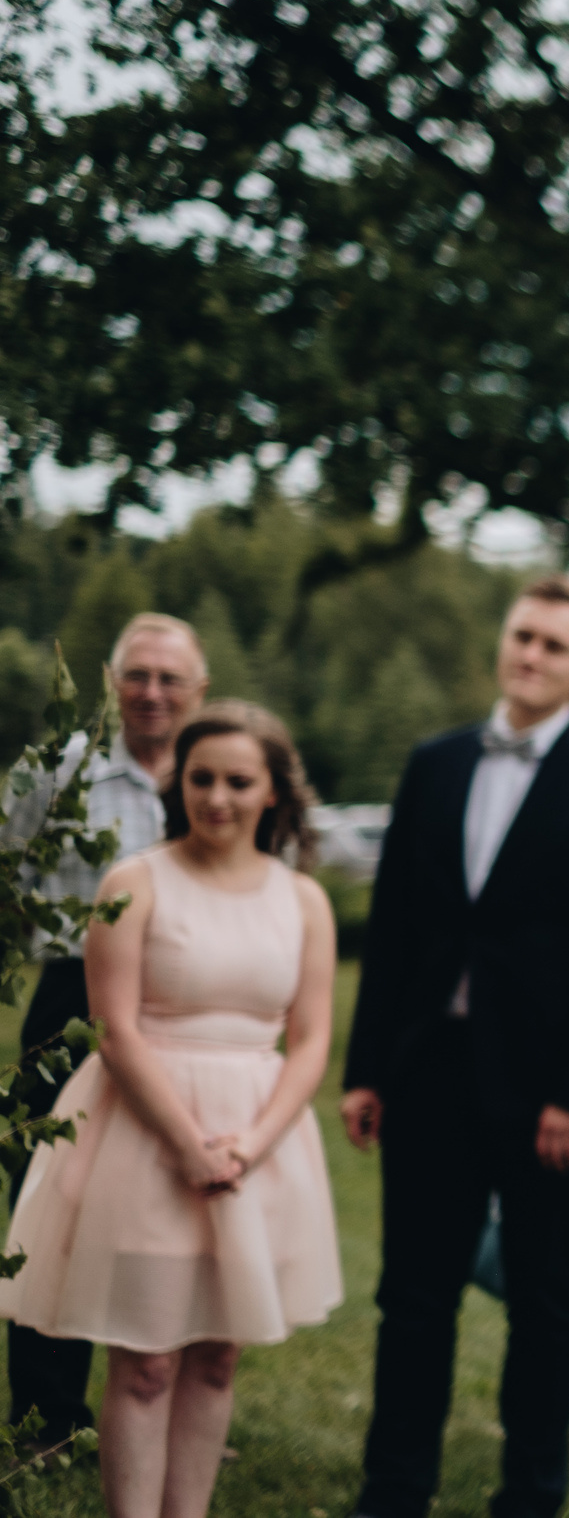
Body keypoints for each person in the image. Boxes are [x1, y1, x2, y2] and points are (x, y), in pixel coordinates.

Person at [340, 574, 569, 1518]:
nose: (530, 654)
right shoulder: (435, 762)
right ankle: (393, 1490)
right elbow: (395, 925)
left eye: (554, 645)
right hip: (430, 1067)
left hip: (553, 1086)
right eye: (522, 635)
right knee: (414, 1294)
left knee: (547, 1301)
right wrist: (368, 1068)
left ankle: (530, 1495)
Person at [0, 702, 342, 1518]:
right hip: (145, 1137)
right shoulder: (134, 882)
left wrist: (250, 1144)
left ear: (272, 790)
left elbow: (311, 1040)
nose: (217, 797)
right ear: (176, 782)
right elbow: (113, 1029)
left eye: (238, 781)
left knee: (216, 1357)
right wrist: (190, 1145)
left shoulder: (303, 900)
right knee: (146, 1359)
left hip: (257, 1139)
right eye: (201, 778)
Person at [0, 612, 208, 1447]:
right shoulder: (60, 770)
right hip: (74, 1000)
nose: (152, 692)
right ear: (113, 683)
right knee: (55, 1196)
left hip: (186, 1009)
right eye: (137, 675)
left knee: (174, 1204)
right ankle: (46, 1414)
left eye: (170, 677)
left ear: (200, 689)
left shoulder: (216, 775)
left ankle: (163, 1406)